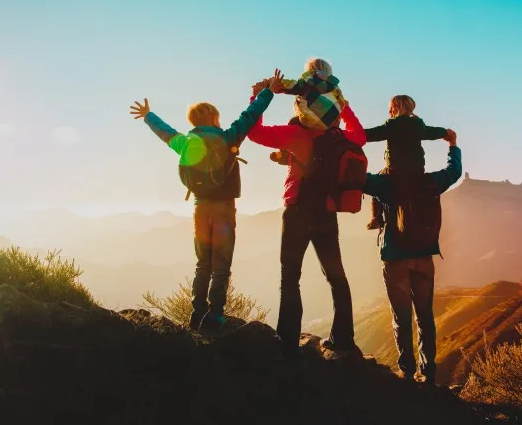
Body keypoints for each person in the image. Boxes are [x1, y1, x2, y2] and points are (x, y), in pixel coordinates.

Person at [128, 74, 281, 333]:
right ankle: (215, 316)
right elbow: (250, 115)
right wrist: (268, 92)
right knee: (221, 265)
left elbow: (165, 133)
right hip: (224, 209)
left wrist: (148, 116)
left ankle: (196, 313)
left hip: (200, 208)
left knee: (203, 264)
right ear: (212, 118)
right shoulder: (227, 138)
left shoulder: (186, 143)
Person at [247, 69, 366, 358]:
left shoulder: (295, 134)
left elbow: (253, 132)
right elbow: (360, 137)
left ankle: (287, 340)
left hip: (297, 212)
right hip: (326, 214)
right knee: (337, 277)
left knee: (290, 276)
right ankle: (343, 339)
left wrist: (260, 95)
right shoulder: (339, 136)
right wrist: (343, 105)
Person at [363, 129, 462, 384]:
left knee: (401, 316)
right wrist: (453, 145)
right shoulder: (432, 181)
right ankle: (427, 373)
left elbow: (356, 179)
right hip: (424, 258)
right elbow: (454, 172)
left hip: (395, 258)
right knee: (425, 316)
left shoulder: (385, 183)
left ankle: (406, 371)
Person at [364, 95, 448, 230]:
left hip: (395, 171)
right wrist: (445, 132)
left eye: (390, 108)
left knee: (377, 183)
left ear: (396, 107)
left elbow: (372, 134)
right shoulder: (418, 124)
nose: (389, 112)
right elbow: (431, 132)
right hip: (417, 171)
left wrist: (352, 135)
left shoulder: (391, 125)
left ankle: (376, 218)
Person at [278, 57, 345, 130]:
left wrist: (272, 83)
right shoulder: (335, 88)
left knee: (293, 122)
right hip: (331, 125)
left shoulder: (307, 82)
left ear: (310, 71)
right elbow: (342, 104)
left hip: (310, 122)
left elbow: (290, 85)